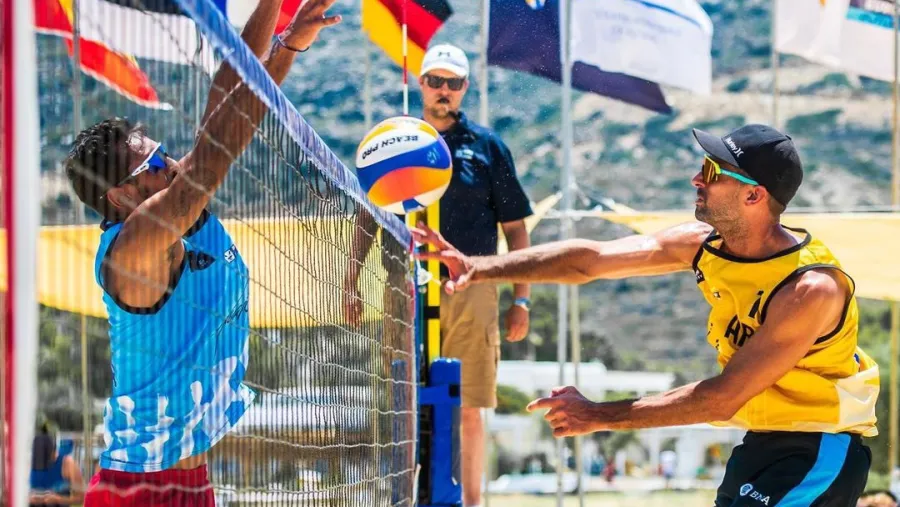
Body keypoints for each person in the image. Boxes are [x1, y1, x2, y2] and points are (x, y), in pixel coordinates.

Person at [412, 124, 880, 506]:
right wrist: (478, 267)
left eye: (712, 170)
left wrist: (597, 414)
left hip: (821, 447)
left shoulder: (809, 289)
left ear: (753, 196)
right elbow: (589, 260)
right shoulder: (704, 243)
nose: (697, 179)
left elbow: (721, 398)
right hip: (762, 442)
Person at [63, 1, 341, 505]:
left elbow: (227, 95)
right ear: (121, 196)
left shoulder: (177, 200)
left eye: (161, 150)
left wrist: (284, 31)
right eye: (150, 162)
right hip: (136, 488)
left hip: (192, 478)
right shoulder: (133, 249)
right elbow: (215, 153)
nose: (168, 162)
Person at [345, 43, 533, 507]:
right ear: (420, 84)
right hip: (404, 289)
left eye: (453, 82)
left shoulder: (488, 148)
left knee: (470, 407)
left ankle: (471, 502)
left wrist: (521, 300)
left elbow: (516, 230)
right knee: (406, 406)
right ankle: (405, 497)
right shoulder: (393, 141)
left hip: (473, 290)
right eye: (435, 81)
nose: (444, 90)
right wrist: (349, 285)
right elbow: (366, 221)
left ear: (465, 88)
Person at [29, 424, 85, 506]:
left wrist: (59, 500)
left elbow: (81, 498)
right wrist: (29, 499)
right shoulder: (26, 464)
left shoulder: (68, 464)